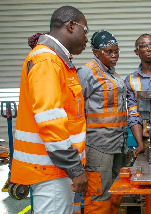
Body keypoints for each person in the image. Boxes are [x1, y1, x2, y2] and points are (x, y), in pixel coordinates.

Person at [10, 5, 89, 214]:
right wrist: (75, 168)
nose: (87, 38)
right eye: (86, 31)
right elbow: (51, 121)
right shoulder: (47, 61)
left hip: (57, 170)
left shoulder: (58, 61)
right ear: (71, 26)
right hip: (51, 170)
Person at [77, 30, 127, 214]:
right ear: (96, 52)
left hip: (117, 144)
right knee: (99, 194)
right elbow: (74, 108)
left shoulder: (113, 74)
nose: (114, 56)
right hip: (98, 145)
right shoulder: (86, 72)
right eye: (109, 51)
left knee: (116, 190)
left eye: (116, 51)